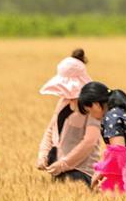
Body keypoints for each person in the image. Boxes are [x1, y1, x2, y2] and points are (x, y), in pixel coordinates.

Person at [36, 48, 101, 186]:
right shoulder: (63, 101)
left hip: (81, 171)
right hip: (57, 167)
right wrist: (43, 154)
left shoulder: (92, 107)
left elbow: (90, 141)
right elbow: (51, 130)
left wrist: (64, 164)